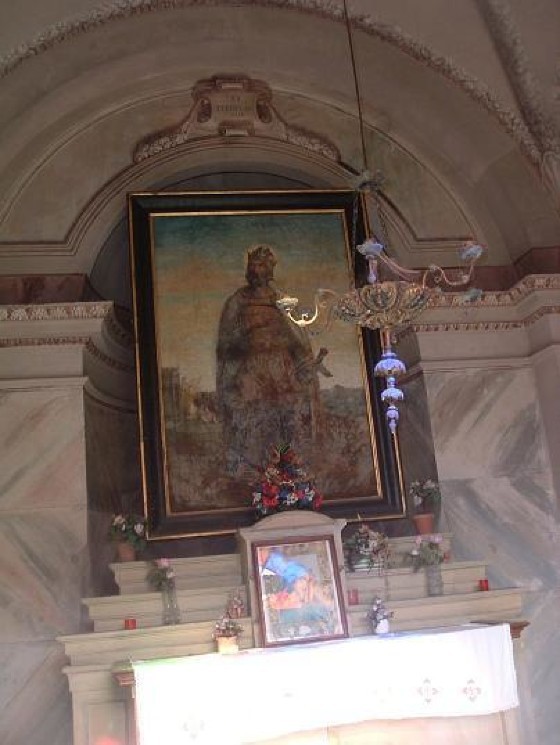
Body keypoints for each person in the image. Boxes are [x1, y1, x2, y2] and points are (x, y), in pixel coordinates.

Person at [216, 244, 327, 474]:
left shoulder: (282, 301)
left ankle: (287, 470)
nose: (256, 270)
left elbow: (298, 338)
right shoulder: (238, 300)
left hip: (281, 370)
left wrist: (305, 363)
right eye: (253, 265)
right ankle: (253, 468)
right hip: (252, 370)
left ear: (270, 270)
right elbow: (225, 343)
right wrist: (247, 342)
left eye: (261, 265)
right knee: (250, 417)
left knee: (286, 416)